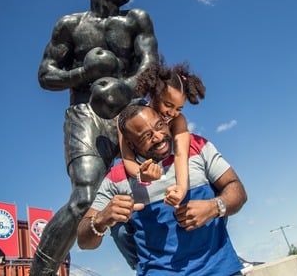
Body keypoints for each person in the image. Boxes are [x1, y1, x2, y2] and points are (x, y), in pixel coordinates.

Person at [31, 0, 159, 275]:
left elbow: (149, 63)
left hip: (129, 112)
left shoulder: (135, 20)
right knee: (84, 197)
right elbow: (45, 75)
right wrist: (84, 74)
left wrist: (123, 87)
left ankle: (156, 265)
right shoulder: (70, 25)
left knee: (158, 181)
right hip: (86, 114)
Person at [77, 104, 248, 275]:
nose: (158, 137)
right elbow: (84, 240)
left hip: (223, 270)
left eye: (160, 126)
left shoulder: (195, 146)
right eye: (146, 136)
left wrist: (214, 207)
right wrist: (101, 219)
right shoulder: (116, 179)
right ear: (130, 144)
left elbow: (237, 189)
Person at [119, 62, 206, 207]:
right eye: (168, 105)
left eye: (179, 108)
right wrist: (141, 174)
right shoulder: (130, 118)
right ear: (155, 95)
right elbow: (127, 159)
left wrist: (182, 187)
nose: (172, 113)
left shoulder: (177, 120)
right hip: (140, 189)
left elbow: (180, 154)